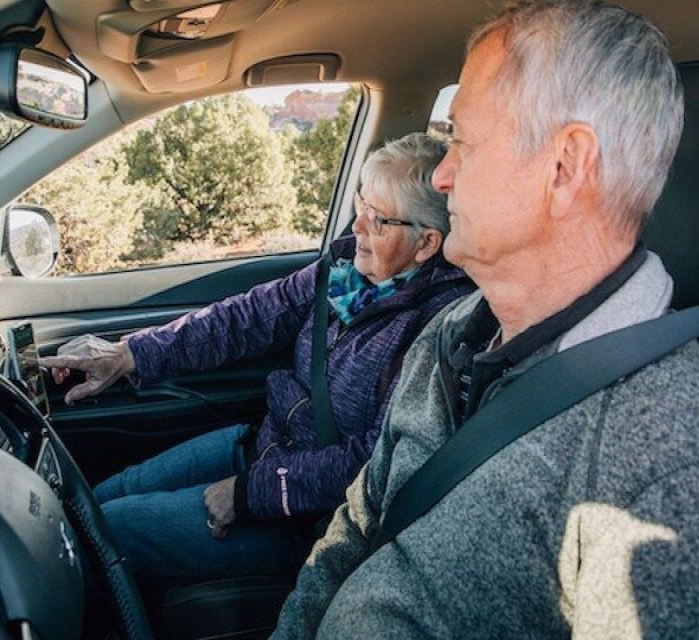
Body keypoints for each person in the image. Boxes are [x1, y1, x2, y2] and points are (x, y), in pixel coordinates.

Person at [272, 1, 699, 638]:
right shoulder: (457, 329)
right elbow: (359, 519)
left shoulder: (663, 473)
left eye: (462, 141)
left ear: (564, 167)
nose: (442, 175)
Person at [41, 132, 474, 577]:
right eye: (360, 205)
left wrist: (250, 493)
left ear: (426, 244)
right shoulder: (343, 275)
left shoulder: (436, 328)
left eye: (379, 220)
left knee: (107, 529)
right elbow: (243, 318)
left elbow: (373, 462)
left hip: (303, 516)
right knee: (95, 499)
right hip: (259, 449)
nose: (358, 227)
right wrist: (129, 354)